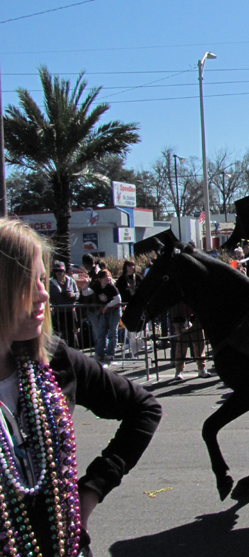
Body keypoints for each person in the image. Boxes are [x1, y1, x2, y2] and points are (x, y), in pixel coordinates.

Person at [0, 218, 161, 556]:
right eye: (29, 281)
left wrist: (90, 491)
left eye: (44, 280)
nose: (44, 294)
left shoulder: (55, 360)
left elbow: (144, 408)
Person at [81, 270, 122, 363]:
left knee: (112, 332)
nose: (108, 278)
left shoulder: (111, 287)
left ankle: (110, 353)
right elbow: (86, 293)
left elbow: (118, 299)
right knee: (101, 332)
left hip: (113, 311)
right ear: (100, 279)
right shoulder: (97, 286)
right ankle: (99, 353)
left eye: (109, 276)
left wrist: (107, 306)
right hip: (103, 312)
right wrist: (87, 284)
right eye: (105, 277)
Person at [169, 302, 211, 380]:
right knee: (182, 343)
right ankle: (179, 369)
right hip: (179, 313)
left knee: (199, 341)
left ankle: (201, 367)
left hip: (194, 312)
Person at [49, 261, 79, 349]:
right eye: (56, 271)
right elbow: (47, 296)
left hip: (70, 311)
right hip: (57, 312)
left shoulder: (70, 281)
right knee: (58, 333)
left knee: (72, 333)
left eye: (61, 271)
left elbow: (77, 294)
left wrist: (72, 295)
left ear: (64, 271)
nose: (59, 273)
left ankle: (75, 352)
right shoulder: (50, 283)